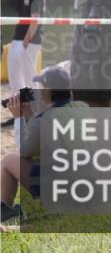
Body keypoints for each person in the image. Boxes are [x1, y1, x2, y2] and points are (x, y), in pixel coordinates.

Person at [1, 63, 87, 223]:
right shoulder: (82, 106)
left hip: (63, 192)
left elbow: (24, 151)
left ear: (50, 90)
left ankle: (4, 215)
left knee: (8, 161)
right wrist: (30, 116)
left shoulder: (44, 119)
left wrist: (19, 118)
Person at [3, 0, 44, 130]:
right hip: (17, 39)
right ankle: (18, 111)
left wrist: (27, 40)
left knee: (29, 77)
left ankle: (34, 112)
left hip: (29, 41)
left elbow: (35, 19)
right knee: (14, 77)